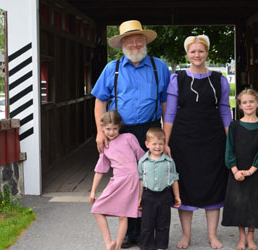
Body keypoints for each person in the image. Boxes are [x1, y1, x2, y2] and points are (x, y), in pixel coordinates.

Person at [91, 20, 171, 248]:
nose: (135, 45)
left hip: (150, 128)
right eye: (130, 41)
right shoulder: (111, 69)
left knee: (149, 179)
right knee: (126, 181)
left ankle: (147, 231)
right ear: (122, 45)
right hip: (121, 130)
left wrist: (165, 136)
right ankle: (130, 233)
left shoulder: (159, 67)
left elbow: (166, 103)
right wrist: (100, 131)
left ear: (144, 42)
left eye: (138, 40)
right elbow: (100, 101)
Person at [163, 35, 231, 249]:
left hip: (213, 139)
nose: (197, 55)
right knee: (186, 188)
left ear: (207, 53)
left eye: (200, 51)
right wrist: (166, 141)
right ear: (187, 54)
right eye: (193, 52)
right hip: (183, 140)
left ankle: (212, 235)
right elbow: (171, 113)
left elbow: (225, 111)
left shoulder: (220, 80)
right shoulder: (177, 79)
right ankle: (186, 235)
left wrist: (231, 140)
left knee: (214, 186)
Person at [221, 89, 258, 250]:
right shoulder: (234, 126)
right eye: (244, 102)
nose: (248, 105)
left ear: (257, 103)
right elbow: (229, 149)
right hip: (236, 171)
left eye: (251, 101)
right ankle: (241, 238)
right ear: (240, 106)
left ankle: (251, 236)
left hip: (254, 172)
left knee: (254, 204)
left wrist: (250, 171)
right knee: (238, 204)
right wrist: (235, 170)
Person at [90, 111, 145, 250]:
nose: (111, 132)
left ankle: (118, 246)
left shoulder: (129, 138)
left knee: (123, 215)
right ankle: (109, 242)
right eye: (108, 129)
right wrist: (93, 191)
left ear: (119, 126)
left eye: (115, 128)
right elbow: (100, 170)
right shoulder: (105, 145)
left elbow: (141, 156)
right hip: (117, 181)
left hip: (131, 179)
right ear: (102, 128)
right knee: (97, 209)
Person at [138, 127, 181, 250]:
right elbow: (141, 181)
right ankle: (147, 246)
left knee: (163, 224)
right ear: (147, 144)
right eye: (154, 144)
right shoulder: (143, 162)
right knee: (147, 224)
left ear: (164, 144)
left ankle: (161, 246)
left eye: (161, 144)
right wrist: (139, 198)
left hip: (164, 195)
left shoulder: (169, 162)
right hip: (148, 195)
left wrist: (177, 196)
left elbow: (174, 179)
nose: (158, 147)